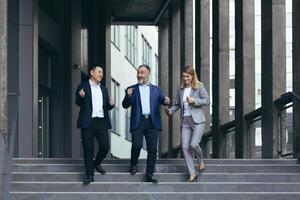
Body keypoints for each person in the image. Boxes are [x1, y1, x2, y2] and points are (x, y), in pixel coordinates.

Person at [122, 64, 170, 183]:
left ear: (148, 73)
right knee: (137, 145)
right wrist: (128, 96)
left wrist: (166, 100)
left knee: (152, 149)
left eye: (142, 72)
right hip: (138, 121)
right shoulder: (131, 89)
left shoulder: (156, 89)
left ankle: (149, 174)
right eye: (138, 72)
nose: (139, 75)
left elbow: (163, 99)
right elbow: (125, 105)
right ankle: (133, 164)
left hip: (152, 122)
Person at [166, 66, 210, 182]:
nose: (185, 79)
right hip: (185, 121)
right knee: (185, 147)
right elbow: (176, 104)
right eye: (183, 76)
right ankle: (192, 173)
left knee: (194, 144)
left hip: (198, 120)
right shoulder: (180, 90)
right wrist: (170, 111)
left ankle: (200, 161)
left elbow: (207, 101)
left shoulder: (199, 87)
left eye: (187, 76)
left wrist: (194, 101)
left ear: (192, 76)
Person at [75, 65, 114, 184]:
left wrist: (111, 104)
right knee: (88, 149)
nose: (101, 74)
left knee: (105, 147)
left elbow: (106, 106)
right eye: (99, 72)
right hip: (88, 121)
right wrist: (80, 96)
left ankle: (96, 164)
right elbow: (77, 102)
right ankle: (89, 175)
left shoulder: (104, 89)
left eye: (102, 72)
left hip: (101, 121)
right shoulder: (83, 86)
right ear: (92, 72)